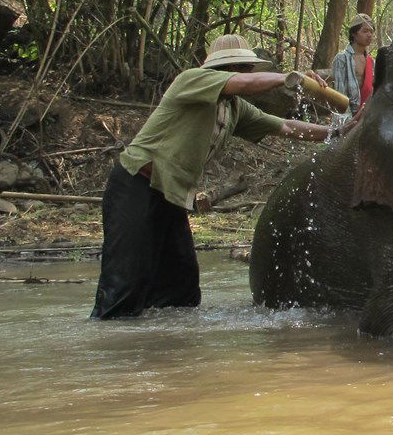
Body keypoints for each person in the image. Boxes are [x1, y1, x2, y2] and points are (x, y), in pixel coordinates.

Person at [90, 34, 340, 319]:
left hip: (172, 198)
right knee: (123, 287)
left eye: (245, 69)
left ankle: (163, 349)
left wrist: (337, 132)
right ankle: (111, 344)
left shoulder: (235, 108)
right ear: (222, 70)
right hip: (136, 186)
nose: (242, 75)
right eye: (236, 68)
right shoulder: (192, 79)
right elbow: (243, 86)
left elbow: (285, 127)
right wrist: (287, 78)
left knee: (181, 292)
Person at [330, 13, 376, 114]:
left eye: (371, 32)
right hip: (348, 115)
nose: (369, 35)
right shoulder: (341, 59)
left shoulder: (371, 62)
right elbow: (340, 94)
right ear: (354, 34)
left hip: (366, 113)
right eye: (365, 31)